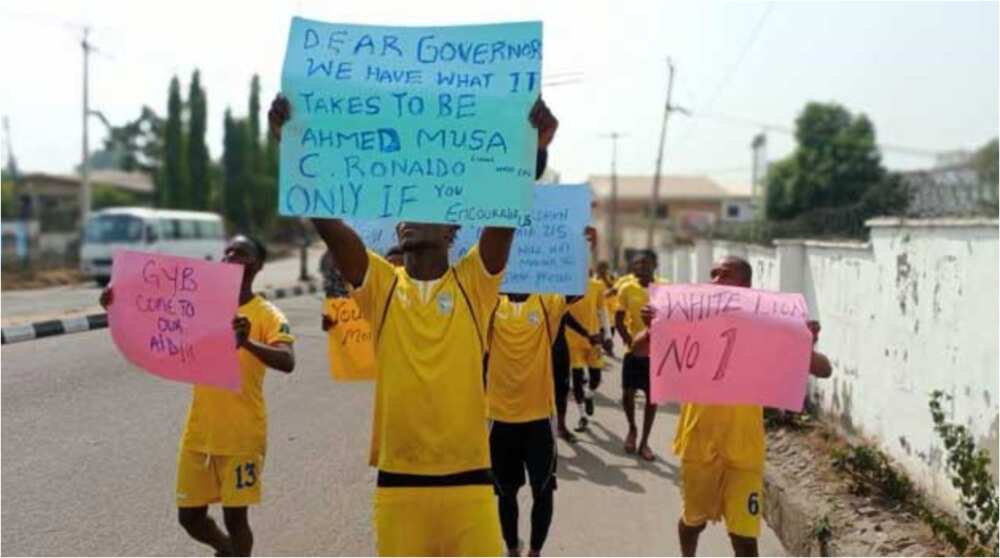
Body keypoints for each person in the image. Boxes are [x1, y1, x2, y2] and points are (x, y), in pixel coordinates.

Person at [270, 94, 558, 556]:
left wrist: (532, 153)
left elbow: (504, 215)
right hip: (399, 487)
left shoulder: (473, 284)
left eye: (422, 205)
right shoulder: (381, 286)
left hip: (470, 487)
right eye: (404, 208)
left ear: (451, 231)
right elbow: (329, 225)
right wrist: (294, 152)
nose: (406, 215)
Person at [100, 235, 296, 557]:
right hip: (199, 433)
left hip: (242, 436)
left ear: (258, 265)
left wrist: (246, 342)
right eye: (227, 251)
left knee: (236, 518)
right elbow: (153, 314)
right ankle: (227, 551)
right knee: (189, 516)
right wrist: (118, 301)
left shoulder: (268, 314)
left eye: (241, 253)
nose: (231, 256)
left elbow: (287, 361)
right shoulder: (200, 305)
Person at [635, 256, 832, 557]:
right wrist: (654, 329)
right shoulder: (687, 318)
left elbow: (823, 369)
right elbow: (636, 349)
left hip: (744, 451)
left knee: (744, 537)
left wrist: (804, 342)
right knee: (693, 522)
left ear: (745, 285)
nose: (714, 281)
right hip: (698, 446)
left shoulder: (767, 328)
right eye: (712, 274)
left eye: (724, 275)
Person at [486, 290, 579, 557]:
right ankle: (512, 549)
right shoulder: (490, 304)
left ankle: (535, 552)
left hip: (539, 418)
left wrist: (581, 249)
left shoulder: (546, 301)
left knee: (543, 490)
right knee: (506, 492)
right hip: (500, 418)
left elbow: (574, 286)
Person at [614, 250, 661, 461]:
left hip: (657, 354)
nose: (642, 267)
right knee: (627, 395)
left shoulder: (664, 288)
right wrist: (628, 340)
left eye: (646, 263)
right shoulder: (626, 288)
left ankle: (644, 442)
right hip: (633, 352)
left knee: (652, 399)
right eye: (638, 264)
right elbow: (618, 318)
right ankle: (632, 428)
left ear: (654, 265)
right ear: (633, 268)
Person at [565, 272, 612, 432]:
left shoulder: (596, 285)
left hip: (594, 339)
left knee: (596, 378)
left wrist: (607, 334)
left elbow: (602, 310)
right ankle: (582, 415)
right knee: (577, 378)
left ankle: (589, 395)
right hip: (572, 340)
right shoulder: (565, 284)